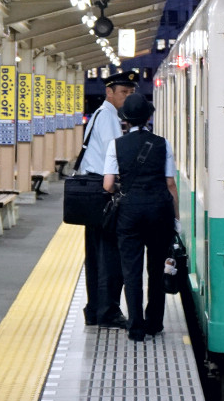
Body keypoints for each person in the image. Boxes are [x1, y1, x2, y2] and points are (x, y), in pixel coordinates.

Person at [103, 92, 178, 343]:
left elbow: (108, 184)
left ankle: (135, 327)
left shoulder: (116, 145)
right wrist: (175, 218)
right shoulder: (162, 143)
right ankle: (154, 323)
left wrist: (122, 191)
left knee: (131, 271)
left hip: (129, 213)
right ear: (148, 117)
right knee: (157, 269)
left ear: (125, 119)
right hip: (159, 212)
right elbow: (170, 183)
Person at [76, 69, 137, 330]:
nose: (128, 97)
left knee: (97, 255)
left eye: (131, 93)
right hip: (104, 193)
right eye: (123, 92)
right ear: (109, 92)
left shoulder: (103, 114)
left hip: (95, 190)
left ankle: (95, 309)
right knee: (109, 256)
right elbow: (116, 158)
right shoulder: (109, 118)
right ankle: (107, 311)